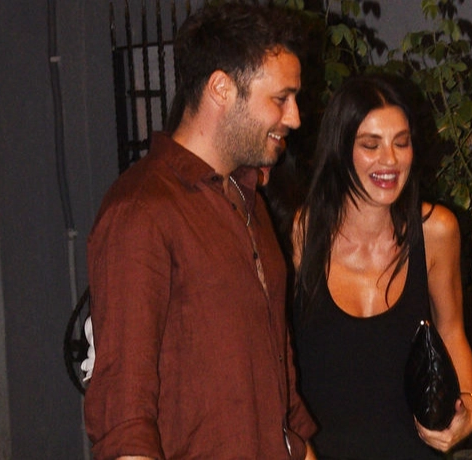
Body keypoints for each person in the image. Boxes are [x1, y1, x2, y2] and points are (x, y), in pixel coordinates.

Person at [84, 3, 317, 459]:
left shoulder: (248, 202)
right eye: (280, 98)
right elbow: (125, 415)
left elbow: (283, 404)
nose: (294, 117)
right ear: (221, 88)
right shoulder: (143, 209)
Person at [291, 74, 472, 459]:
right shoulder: (302, 233)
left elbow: (452, 329)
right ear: (341, 150)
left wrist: (468, 405)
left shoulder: (436, 230)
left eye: (401, 143)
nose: (390, 160)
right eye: (370, 145)